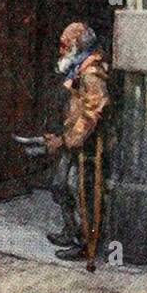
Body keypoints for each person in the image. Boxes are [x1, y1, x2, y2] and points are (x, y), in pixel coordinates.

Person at [44, 22, 109, 261]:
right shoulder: (77, 68)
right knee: (60, 184)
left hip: (85, 145)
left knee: (79, 190)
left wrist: (68, 140)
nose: (61, 51)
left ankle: (85, 242)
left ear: (77, 46)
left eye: (64, 45)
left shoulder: (91, 73)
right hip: (70, 140)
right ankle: (70, 230)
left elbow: (93, 111)